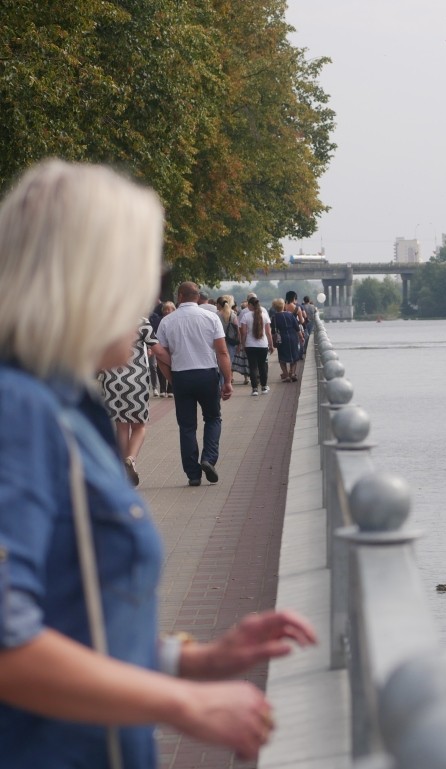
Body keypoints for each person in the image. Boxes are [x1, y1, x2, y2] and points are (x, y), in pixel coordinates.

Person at [0, 159, 316, 766]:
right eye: (145, 271)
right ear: (89, 280)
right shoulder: (18, 411)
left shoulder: (72, 406)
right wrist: (182, 706)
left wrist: (193, 661)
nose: (153, 297)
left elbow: (72, 618)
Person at [154, 282, 233, 487]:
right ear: (197, 297)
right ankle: (209, 458)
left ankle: (193, 474)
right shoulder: (211, 317)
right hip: (207, 374)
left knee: (187, 427)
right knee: (213, 418)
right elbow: (222, 352)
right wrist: (228, 381)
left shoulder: (167, 322)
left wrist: (172, 380)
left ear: (180, 296)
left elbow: (161, 356)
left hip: (181, 375)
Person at [97, 317, 166, 486]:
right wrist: (174, 367)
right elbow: (157, 349)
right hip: (136, 380)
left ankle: (122, 470)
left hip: (111, 379)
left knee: (121, 425)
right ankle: (131, 459)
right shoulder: (140, 321)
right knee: (139, 425)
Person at [238, 296, 273, 396]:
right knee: (262, 366)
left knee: (253, 367)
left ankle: (254, 389)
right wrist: (271, 345)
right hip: (263, 345)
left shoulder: (246, 316)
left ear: (251, 305)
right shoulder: (265, 315)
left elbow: (243, 333)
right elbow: (268, 333)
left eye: (248, 305)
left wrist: (243, 344)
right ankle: (264, 386)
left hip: (250, 345)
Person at [270, 297, 302, 382]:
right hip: (292, 337)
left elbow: (273, 331)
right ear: (283, 305)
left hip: (281, 339)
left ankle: (286, 375)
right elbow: (297, 327)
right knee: (294, 356)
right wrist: (301, 337)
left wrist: (272, 341)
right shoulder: (290, 315)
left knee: (282, 358)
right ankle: (292, 373)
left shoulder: (274, 318)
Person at [216, 295, 240, 380]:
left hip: (220, 342)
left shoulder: (216, 315)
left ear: (219, 305)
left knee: (220, 364)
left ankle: (221, 384)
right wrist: (239, 344)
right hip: (231, 342)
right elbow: (237, 330)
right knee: (228, 365)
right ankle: (227, 382)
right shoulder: (233, 315)